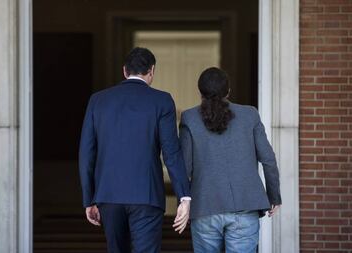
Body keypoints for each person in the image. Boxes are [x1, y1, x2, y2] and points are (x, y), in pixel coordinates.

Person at [79, 47, 191, 253]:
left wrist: (89, 199)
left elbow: (86, 153)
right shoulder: (162, 100)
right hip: (146, 195)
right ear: (152, 71)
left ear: (124, 71)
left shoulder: (98, 100)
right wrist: (184, 196)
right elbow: (171, 152)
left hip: (108, 195)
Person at [179, 67, 282, 253]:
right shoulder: (250, 114)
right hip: (245, 205)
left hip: (205, 207)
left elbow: (184, 167)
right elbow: (268, 159)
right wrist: (274, 196)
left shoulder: (189, 118)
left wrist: (183, 201)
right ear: (228, 91)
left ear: (200, 92)